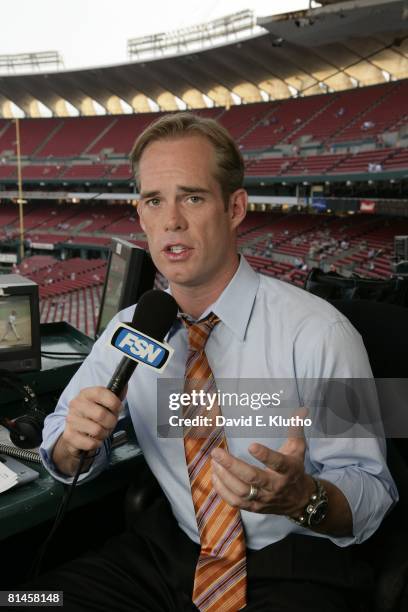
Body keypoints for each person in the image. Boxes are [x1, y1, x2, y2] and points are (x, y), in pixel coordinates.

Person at [35, 113, 396, 612]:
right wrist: (73, 447)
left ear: (235, 208)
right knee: (25, 598)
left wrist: (302, 497)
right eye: (154, 200)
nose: (172, 220)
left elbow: (373, 493)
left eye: (193, 197)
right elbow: (59, 436)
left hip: (292, 563)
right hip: (170, 553)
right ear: (140, 215)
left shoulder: (320, 333)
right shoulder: (128, 331)